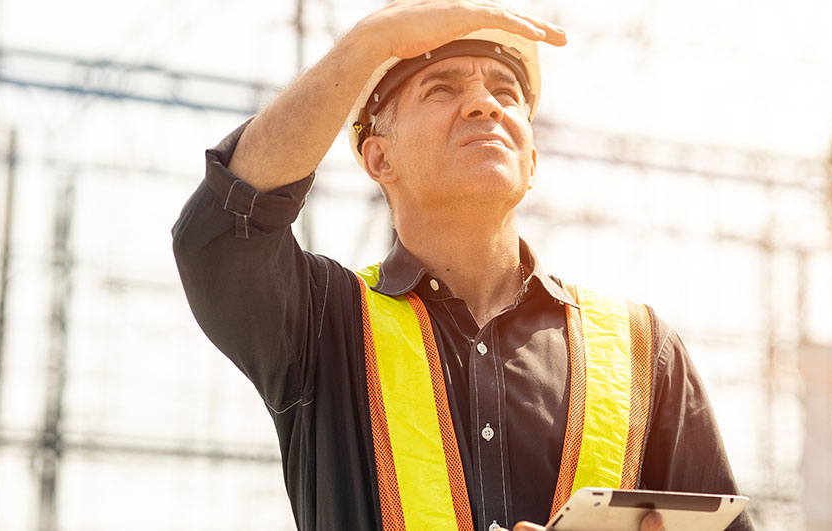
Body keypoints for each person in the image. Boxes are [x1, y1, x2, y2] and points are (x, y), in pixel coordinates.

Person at [171, 1, 753, 530]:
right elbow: (225, 229)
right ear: (379, 157)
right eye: (441, 89)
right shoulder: (323, 325)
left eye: (505, 90)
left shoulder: (642, 352)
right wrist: (369, 44)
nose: (484, 103)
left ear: (530, 158)